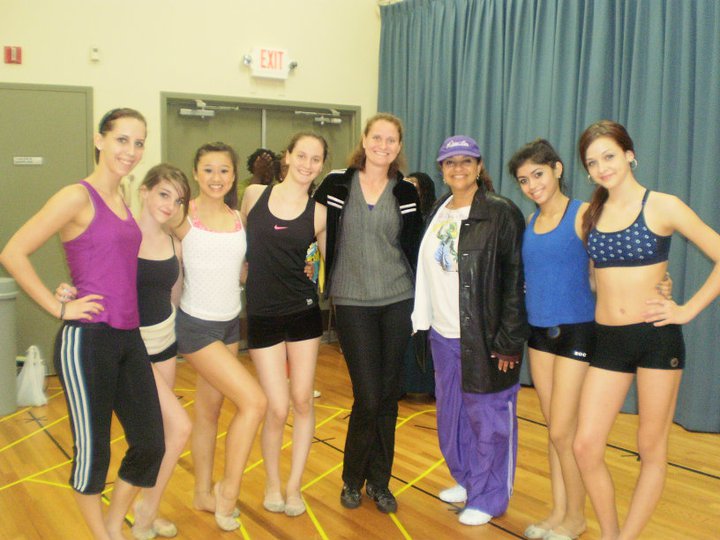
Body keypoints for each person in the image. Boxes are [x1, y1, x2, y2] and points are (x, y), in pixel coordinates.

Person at [0, 108, 165, 540]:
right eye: (122, 140)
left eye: (139, 142)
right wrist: (59, 309)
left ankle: (111, 526)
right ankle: (103, 536)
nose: (131, 151)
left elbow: (99, 261)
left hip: (128, 337)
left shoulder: (122, 198)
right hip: (87, 341)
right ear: (99, 140)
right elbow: (13, 252)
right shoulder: (77, 196)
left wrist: (69, 287)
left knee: (150, 444)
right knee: (94, 454)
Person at [572, 120, 720, 540]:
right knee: (586, 445)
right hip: (609, 342)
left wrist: (685, 309)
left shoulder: (663, 205)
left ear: (629, 154)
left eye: (609, 156)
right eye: (593, 162)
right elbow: (597, 280)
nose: (602, 168)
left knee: (651, 448)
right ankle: (610, 533)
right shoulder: (590, 214)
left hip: (656, 339)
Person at [55, 164, 194, 539]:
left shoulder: (173, 242)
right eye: (164, 193)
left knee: (157, 437)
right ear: (145, 191)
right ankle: (119, 524)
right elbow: (95, 273)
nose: (170, 204)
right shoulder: (122, 233)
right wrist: (69, 293)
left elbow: (172, 295)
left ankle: (145, 513)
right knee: (178, 429)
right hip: (132, 345)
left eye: (177, 199)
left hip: (163, 345)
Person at [412, 135, 528, 527]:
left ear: (479, 167)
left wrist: (510, 339)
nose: (457, 168)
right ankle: (467, 479)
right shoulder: (438, 211)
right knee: (452, 417)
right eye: (449, 162)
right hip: (442, 334)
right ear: (441, 169)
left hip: (485, 337)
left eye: (466, 161)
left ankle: (490, 495)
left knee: (489, 420)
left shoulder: (501, 213)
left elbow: (516, 280)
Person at [313, 113, 422, 513]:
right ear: (364, 139)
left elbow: (415, 247)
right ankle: (351, 478)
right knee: (368, 394)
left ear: (398, 146)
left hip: (397, 298)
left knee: (388, 395)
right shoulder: (336, 184)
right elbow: (311, 227)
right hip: (352, 301)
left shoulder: (406, 191)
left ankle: (380, 483)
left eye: (391, 140)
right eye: (377, 137)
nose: (383, 145)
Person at [173, 142, 267, 532]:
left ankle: (201, 491)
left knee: (209, 413)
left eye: (224, 170)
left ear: (233, 176)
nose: (216, 178)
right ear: (196, 173)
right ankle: (227, 493)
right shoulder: (182, 217)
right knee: (254, 401)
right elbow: (158, 263)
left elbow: (241, 271)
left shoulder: (237, 219)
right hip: (196, 327)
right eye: (208, 170)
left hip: (230, 323)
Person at [508, 140, 595, 540]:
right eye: (524, 180)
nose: (531, 185)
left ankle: (576, 517)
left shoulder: (583, 215)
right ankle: (558, 511)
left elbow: (602, 272)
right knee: (553, 428)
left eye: (537, 175)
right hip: (539, 334)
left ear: (557, 169)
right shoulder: (529, 222)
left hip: (577, 330)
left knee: (564, 430)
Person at [240, 132, 328, 518]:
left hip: (303, 313)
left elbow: (332, 264)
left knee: (302, 400)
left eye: (316, 158)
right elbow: (236, 246)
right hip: (261, 315)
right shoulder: (253, 197)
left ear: (322, 165)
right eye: (302, 155)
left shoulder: (320, 212)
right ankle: (272, 483)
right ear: (287, 156)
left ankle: (294, 487)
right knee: (276, 408)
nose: (308, 164)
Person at [401, 172, 437, 400]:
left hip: (428, 286)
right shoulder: (401, 217)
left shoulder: (434, 218)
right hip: (404, 284)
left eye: (415, 186)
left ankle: (430, 386)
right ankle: (402, 384)